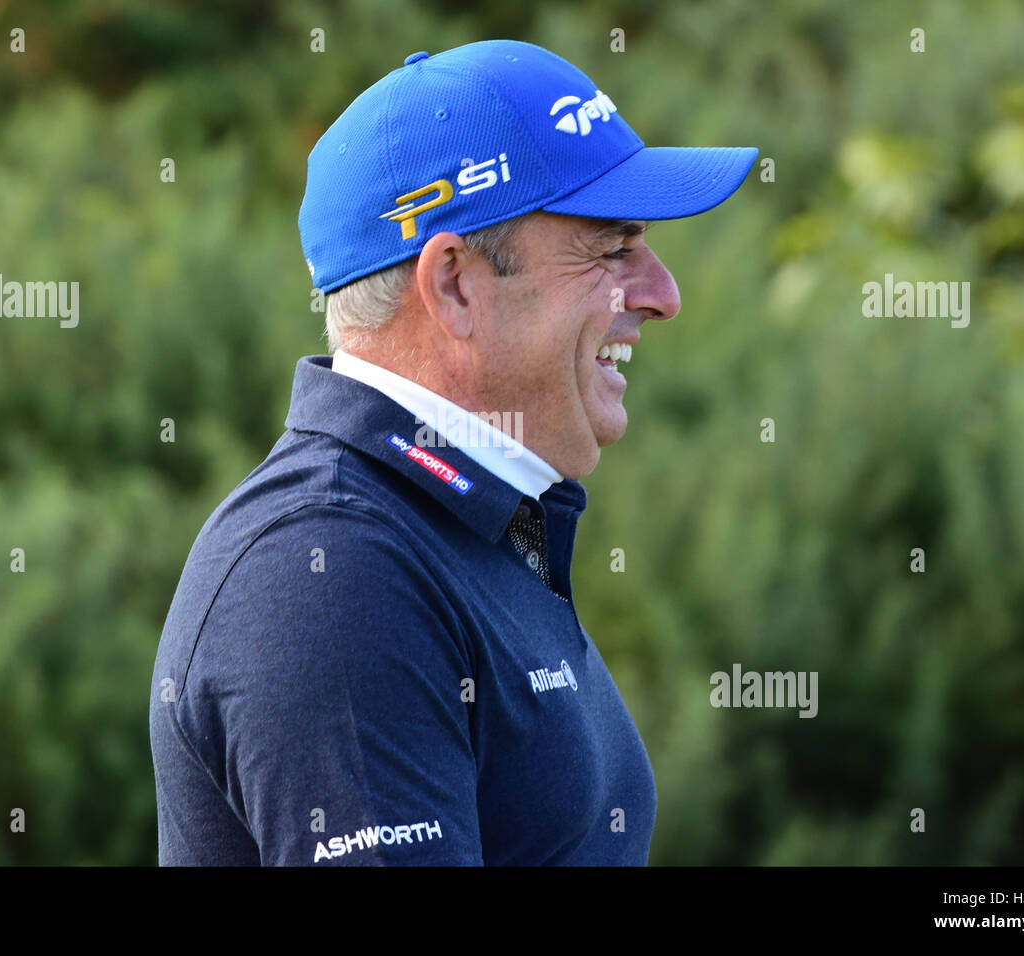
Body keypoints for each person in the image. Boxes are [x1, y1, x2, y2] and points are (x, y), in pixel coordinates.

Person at [150, 38, 757, 865]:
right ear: (455, 285)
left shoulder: (455, 521)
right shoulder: (330, 569)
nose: (662, 294)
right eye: (612, 248)